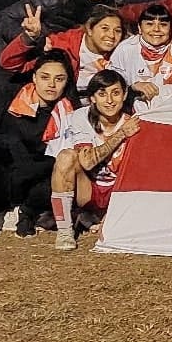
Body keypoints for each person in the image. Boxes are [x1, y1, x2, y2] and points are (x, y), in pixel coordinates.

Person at [0, 0, 123, 128]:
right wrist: (35, 38)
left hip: (35, 68)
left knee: (18, 125)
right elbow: (2, 17)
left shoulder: (100, 12)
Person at [0, 50, 79, 245]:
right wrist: (8, 142)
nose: (52, 85)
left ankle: (27, 212)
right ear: (34, 77)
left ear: (66, 82)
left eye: (59, 79)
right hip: (1, 175)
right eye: (45, 77)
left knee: (65, 168)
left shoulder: (68, 111)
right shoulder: (9, 95)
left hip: (35, 180)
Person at [49, 70, 140, 251]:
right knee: (66, 157)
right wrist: (121, 134)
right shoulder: (80, 117)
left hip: (120, 191)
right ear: (92, 98)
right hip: (89, 189)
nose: (109, 100)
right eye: (102, 94)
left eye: (115, 93)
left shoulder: (135, 121)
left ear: (125, 95)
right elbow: (86, 161)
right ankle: (65, 230)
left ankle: (106, 217)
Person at [0, 4, 125, 97]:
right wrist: (28, 37)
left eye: (117, 31)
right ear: (89, 29)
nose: (112, 35)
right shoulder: (60, 46)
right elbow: (9, 64)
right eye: (105, 28)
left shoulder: (123, 53)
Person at [108, 4, 172, 109]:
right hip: (130, 111)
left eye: (163, 25)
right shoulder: (125, 49)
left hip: (167, 111)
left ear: (170, 28)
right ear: (139, 28)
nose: (156, 29)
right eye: (149, 24)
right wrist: (134, 86)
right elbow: (110, 84)